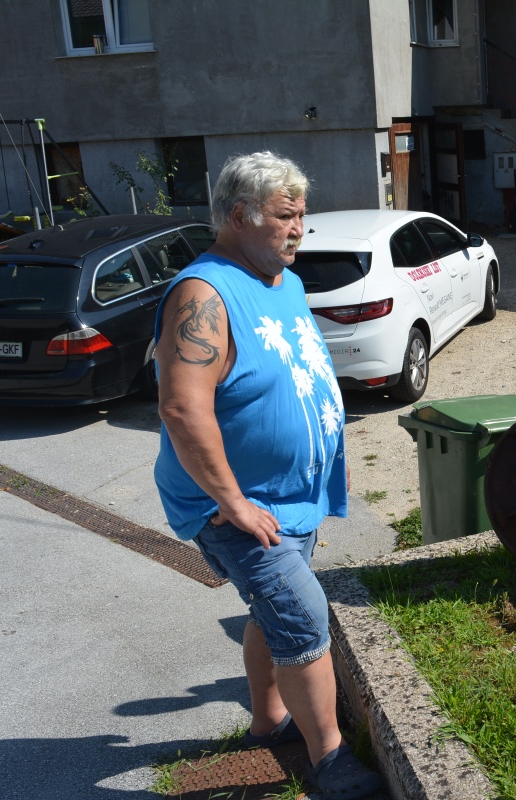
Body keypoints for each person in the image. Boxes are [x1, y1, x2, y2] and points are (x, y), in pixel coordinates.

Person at [154, 152, 384, 799]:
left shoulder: (283, 280)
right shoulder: (203, 294)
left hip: (291, 497)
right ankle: (331, 760)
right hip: (237, 504)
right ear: (239, 216)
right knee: (302, 615)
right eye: (286, 216)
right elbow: (181, 407)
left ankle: (269, 720)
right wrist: (233, 500)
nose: (299, 229)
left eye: (301, 215)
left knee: (272, 609)